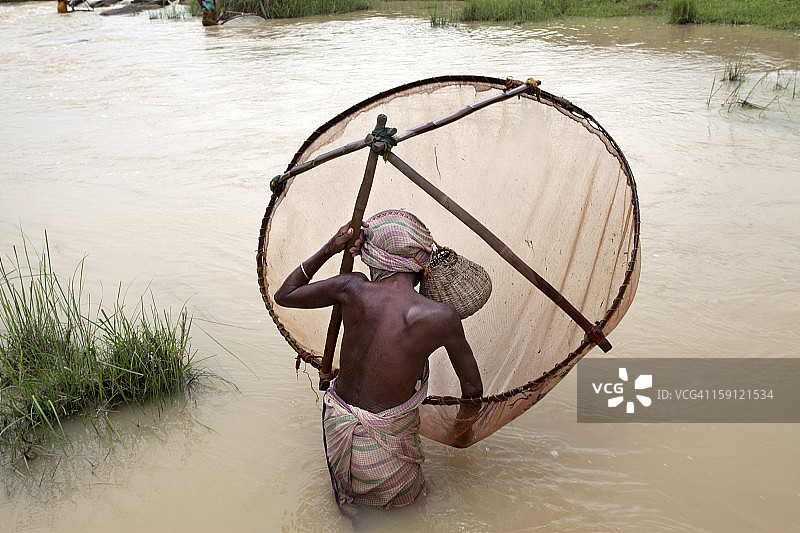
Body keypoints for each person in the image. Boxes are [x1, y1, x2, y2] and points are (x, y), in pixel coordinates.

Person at [274, 209, 483, 518]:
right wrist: (461, 435)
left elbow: (285, 294)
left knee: (352, 512)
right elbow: (473, 389)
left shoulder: (352, 288)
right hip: (389, 457)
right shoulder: (440, 317)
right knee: (409, 517)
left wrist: (330, 248)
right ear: (422, 263)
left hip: (337, 433)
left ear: (376, 259)